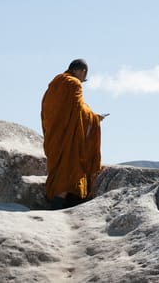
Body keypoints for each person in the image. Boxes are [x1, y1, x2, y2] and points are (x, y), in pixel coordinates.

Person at [41, 59, 105, 209]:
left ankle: (60, 202)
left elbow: (49, 110)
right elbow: (79, 112)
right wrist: (95, 118)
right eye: (84, 77)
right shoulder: (73, 84)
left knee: (60, 169)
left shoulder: (55, 83)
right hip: (67, 136)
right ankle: (58, 206)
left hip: (55, 135)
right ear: (82, 71)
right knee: (68, 168)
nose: (83, 81)